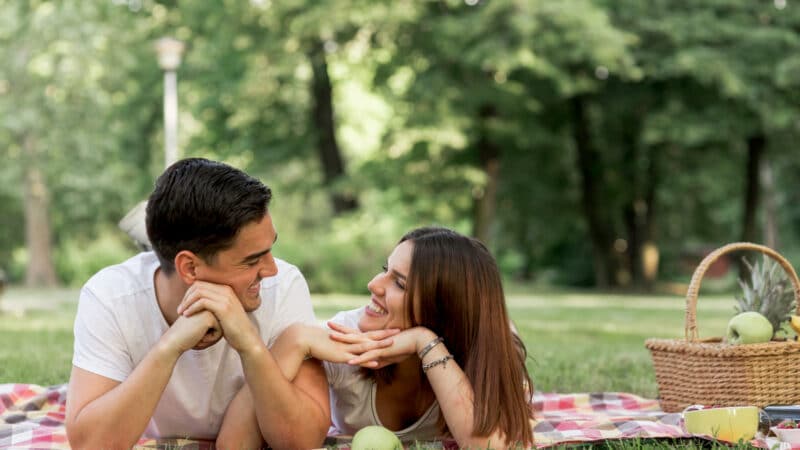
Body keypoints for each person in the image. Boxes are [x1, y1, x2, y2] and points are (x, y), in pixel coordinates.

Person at [65, 158, 331, 449]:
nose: (271, 270)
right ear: (190, 268)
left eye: (270, 251)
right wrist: (171, 346)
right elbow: (90, 445)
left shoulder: (284, 287)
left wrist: (250, 344)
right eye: (252, 260)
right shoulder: (110, 297)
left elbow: (304, 441)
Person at [263, 226, 535, 448]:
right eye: (385, 270)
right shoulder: (344, 340)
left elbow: (488, 446)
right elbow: (265, 423)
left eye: (400, 283)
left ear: (444, 307)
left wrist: (424, 342)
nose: (373, 284)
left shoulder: (493, 348)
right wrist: (295, 339)